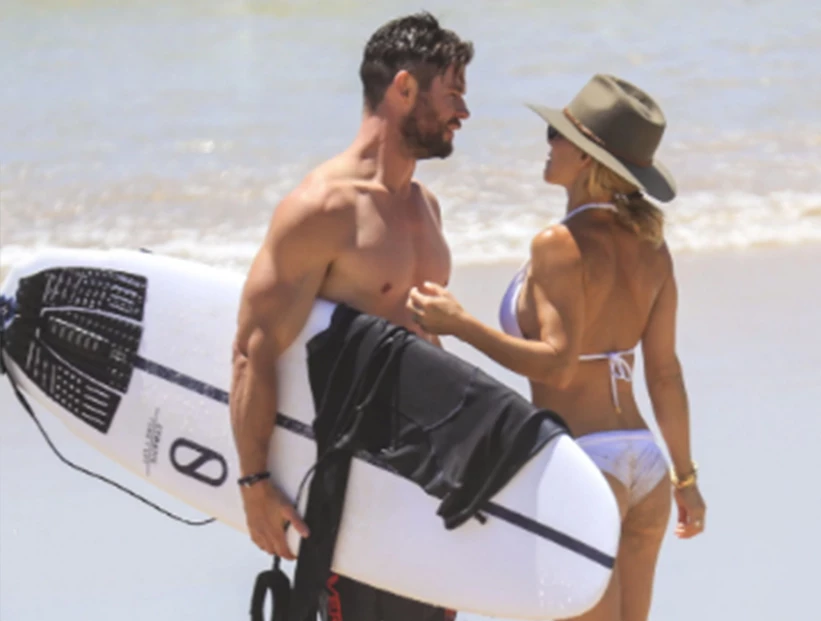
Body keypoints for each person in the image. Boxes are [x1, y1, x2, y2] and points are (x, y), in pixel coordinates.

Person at [407, 74, 706, 621]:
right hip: (645, 464)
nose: (548, 144)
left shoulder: (558, 243)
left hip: (585, 464)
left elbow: (559, 367)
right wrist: (685, 479)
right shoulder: (651, 247)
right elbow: (665, 374)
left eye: (556, 134)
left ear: (588, 156)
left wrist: (460, 324)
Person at [228, 11, 472, 621]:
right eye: (452, 95)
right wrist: (255, 483)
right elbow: (254, 349)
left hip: (424, 484)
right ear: (404, 89)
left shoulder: (427, 207)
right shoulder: (323, 208)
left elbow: (422, 344)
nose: (463, 112)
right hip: (349, 489)